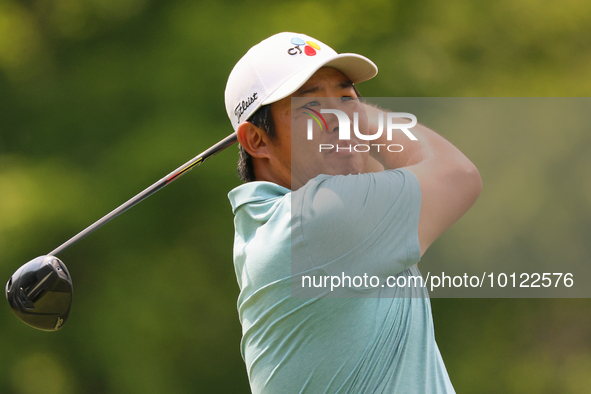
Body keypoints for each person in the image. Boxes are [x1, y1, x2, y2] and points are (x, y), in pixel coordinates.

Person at [224, 32, 482, 393]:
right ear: (256, 140)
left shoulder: (274, 223)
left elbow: (377, 171)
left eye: (347, 98)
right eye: (311, 107)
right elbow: (458, 176)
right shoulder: (315, 221)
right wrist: (359, 112)